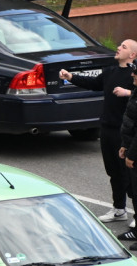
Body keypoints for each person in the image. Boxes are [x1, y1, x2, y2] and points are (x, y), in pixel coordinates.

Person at [61, 39, 137, 224]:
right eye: (119, 45)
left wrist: (128, 93)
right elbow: (94, 83)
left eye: (124, 47)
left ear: (133, 55)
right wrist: (71, 77)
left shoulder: (134, 75)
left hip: (125, 132)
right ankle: (119, 209)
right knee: (113, 171)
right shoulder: (111, 70)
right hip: (107, 128)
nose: (118, 48)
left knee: (129, 174)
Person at [119, 66, 137, 249]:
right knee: (133, 191)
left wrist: (131, 155)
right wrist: (124, 145)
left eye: (136, 72)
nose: (132, 74)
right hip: (131, 148)